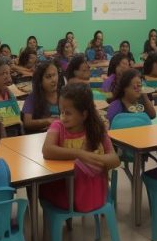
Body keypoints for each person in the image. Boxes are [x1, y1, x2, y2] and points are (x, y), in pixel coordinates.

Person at [40, 83, 120, 212]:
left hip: (80, 196)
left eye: (68, 113)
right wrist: (80, 154)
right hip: (85, 194)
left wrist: (92, 159)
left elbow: (115, 160)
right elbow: (47, 150)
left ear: (84, 114)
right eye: (61, 112)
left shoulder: (96, 129)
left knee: (40, 188)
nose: (63, 117)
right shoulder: (58, 126)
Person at [22, 61, 59, 133]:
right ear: (40, 82)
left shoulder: (65, 95)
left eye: (54, 75)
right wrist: (48, 121)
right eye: (48, 77)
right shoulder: (32, 98)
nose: (53, 80)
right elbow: (27, 122)